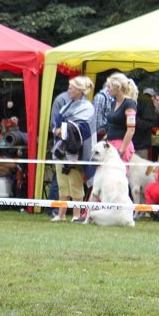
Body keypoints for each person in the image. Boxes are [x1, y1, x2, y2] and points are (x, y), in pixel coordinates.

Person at [50, 76, 96, 223]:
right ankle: (61, 214)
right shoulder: (67, 104)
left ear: (80, 90)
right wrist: (58, 130)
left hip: (76, 151)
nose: (68, 90)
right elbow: (58, 122)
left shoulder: (87, 107)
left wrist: (62, 130)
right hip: (61, 150)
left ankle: (77, 215)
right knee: (62, 183)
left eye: (71, 88)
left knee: (75, 183)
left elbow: (82, 129)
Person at [104, 72, 138, 163]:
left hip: (121, 145)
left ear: (118, 88)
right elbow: (113, 124)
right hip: (110, 144)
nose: (108, 89)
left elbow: (131, 130)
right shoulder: (113, 103)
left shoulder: (129, 104)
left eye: (110, 87)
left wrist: (121, 150)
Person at [134, 88, 159, 159]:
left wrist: (132, 120)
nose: (158, 102)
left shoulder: (145, 102)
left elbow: (149, 123)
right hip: (140, 143)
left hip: (140, 143)